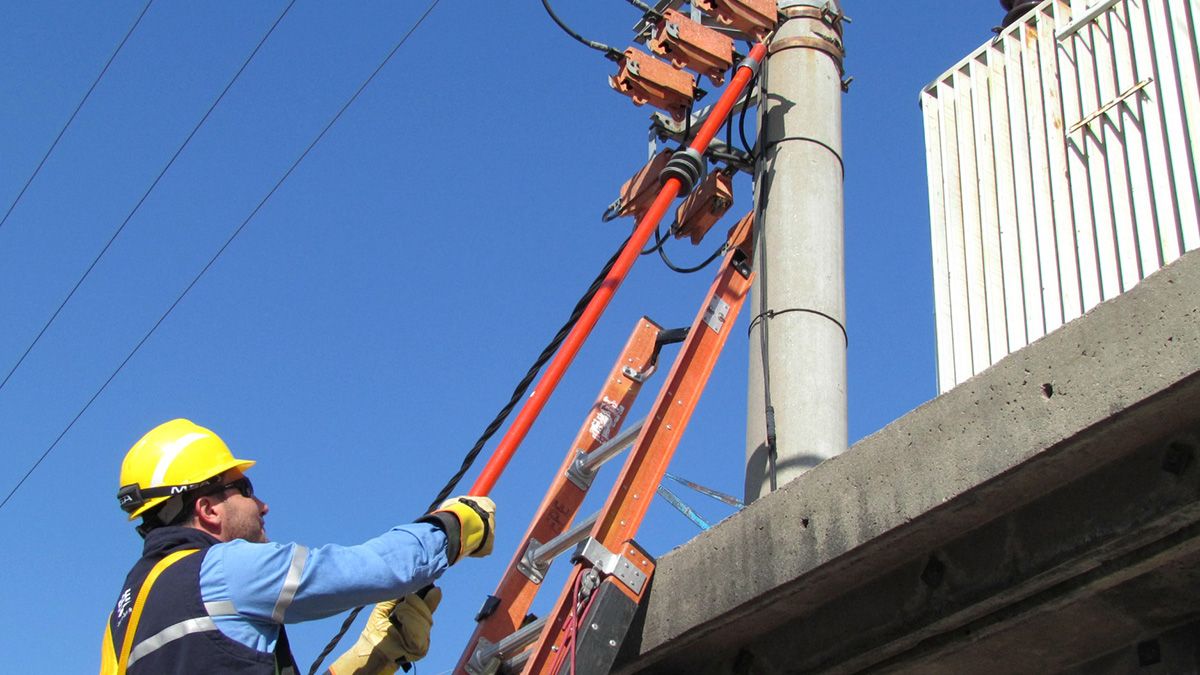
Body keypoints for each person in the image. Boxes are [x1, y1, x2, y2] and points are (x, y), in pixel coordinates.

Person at [100, 418, 496, 674]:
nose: (262, 505)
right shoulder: (222, 572)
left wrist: (374, 654)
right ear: (208, 510)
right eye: (244, 489)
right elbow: (370, 569)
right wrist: (453, 527)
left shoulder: (121, 627)